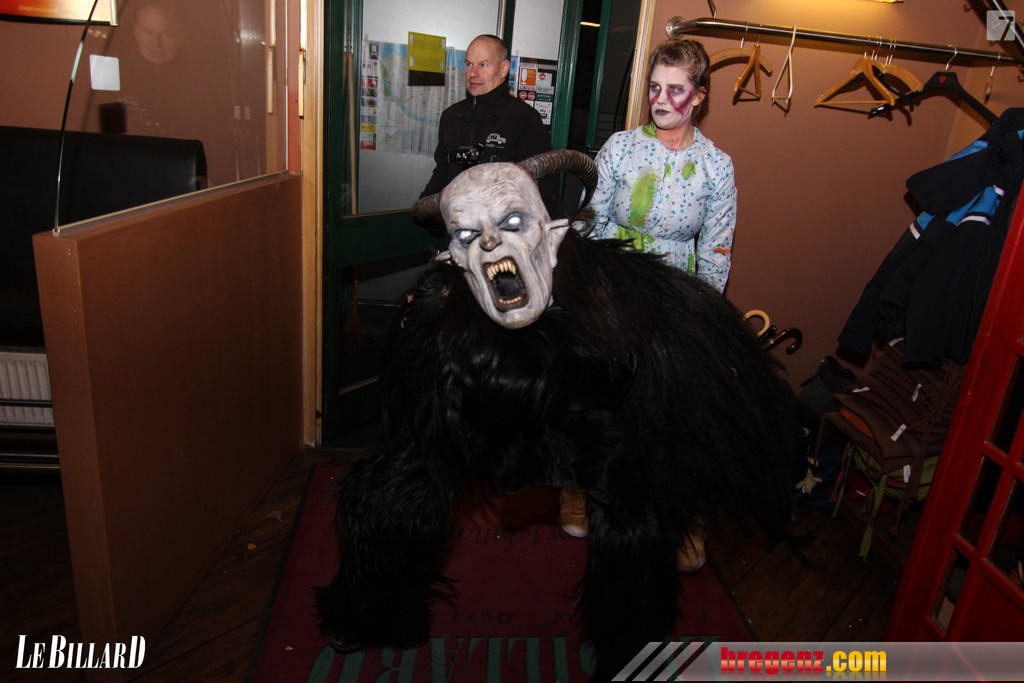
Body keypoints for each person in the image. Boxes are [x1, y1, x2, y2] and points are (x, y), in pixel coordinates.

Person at [560, 38, 737, 571]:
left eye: (675, 90)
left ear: (699, 96)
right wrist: (581, 285)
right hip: (614, 288)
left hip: (675, 299)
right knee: (595, 398)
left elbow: (717, 250)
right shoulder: (620, 148)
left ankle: (681, 515)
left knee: (671, 415)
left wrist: (699, 319)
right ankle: (577, 488)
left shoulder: (717, 167)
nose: (661, 100)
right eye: (655, 87)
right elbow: (593, 219)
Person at [417, 34, 559, 231]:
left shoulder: (524, 118)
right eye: (469, 64)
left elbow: (545, 187)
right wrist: (424, 208)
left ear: (504, 68)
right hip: (458, 232)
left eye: (483, 65)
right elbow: (442, 170)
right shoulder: (451, 116)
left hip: (502, 236)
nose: (473, 73)